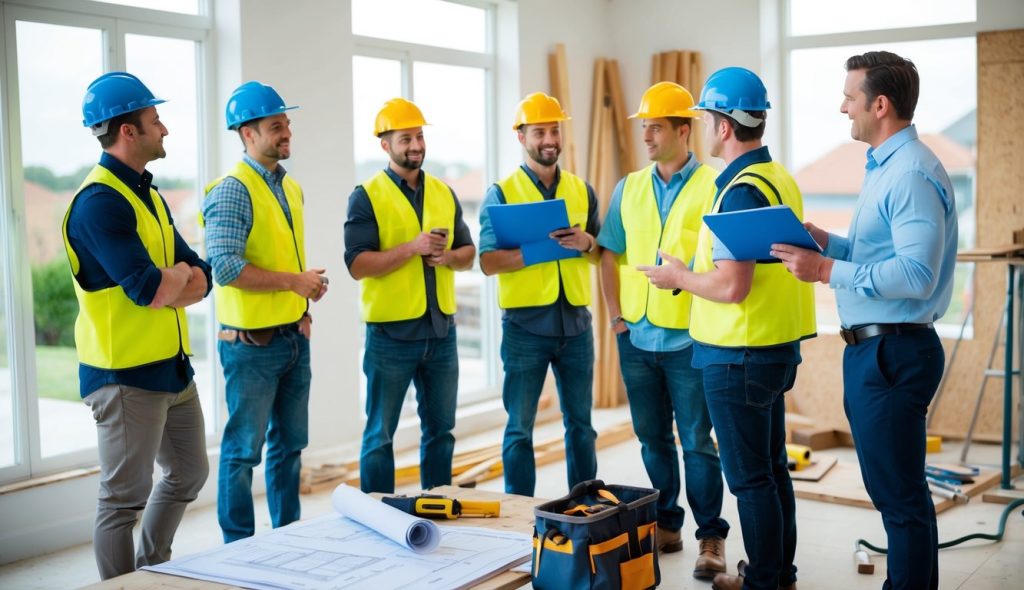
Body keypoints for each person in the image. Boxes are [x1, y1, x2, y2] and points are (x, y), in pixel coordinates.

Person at [772, 51, 956, 590]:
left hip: (894, 352)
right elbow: (882, 254)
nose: (842, 107)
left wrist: (826, 270)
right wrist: (830, 244)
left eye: (850, 97)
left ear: (880, 105)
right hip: (877, 350)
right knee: (895, 493)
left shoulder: (910, 172)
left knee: (900, 498)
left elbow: (916, 274)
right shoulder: (887, 166)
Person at [641, 67, 815, 590]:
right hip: (773, 348)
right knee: (772, 470)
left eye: (706, 118)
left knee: (751, 480)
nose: (704, 127)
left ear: (723, 126)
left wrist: (676, 277)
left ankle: (763, 581)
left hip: (739, 354)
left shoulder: (739, 191)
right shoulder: (776, 177)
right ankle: (778, 575)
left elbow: (732, 286)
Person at [65, 72, 210, 579]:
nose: (164, 128)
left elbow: (202, 274)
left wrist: (178, 279)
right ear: (128, 131)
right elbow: (150, 290)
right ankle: (122, 588)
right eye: (155, 119)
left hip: (171, 367)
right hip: (124, 375)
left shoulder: (146, 194)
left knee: (189, 472)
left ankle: (152, 569)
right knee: (123, 499)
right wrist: (174, 281)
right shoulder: (99, 203)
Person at [597, 82, 729, 580]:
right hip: (636, 338)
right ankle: (667, 524)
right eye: (644, 127)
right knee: (652, 438)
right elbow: (609, 253)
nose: (647, 136)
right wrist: (616, 317)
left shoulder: (714, 185)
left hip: (690, 339)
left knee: (697, 440)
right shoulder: (628, 187)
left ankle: (710, 535)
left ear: (683, 130)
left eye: (655, 127)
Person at [203, 81, 327, 543]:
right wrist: (294, 282)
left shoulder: (290, 187)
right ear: (247, 134)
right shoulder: (232, 191)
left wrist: (303, 301)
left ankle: (287, 538)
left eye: (287, 124)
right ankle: (237, 547)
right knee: (242, 452)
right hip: (250, 348)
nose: (286, 132)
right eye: (276, 126)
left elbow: (282, 258)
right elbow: (225, 268)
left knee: (290, 447)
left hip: (293, 338)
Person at [344, 98, 476, 494]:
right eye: (406, 139)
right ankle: (377, 514)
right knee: (380, 435)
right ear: (385, 145)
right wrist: (411, 249)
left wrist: (447, 256)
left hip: (441, 331)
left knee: (441, 431)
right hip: (391, 336)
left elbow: (468, 253)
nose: (416, 145)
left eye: (419, 136)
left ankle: (436, 507)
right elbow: (357, 264)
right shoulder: (366, 196)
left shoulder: (443, 192)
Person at [478, 92, 599, 497]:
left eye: (554, 130)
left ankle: (585, 508)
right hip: (525, 328)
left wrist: (585, 242)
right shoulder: (502, 193)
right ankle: (519, 511)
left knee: (581, 425)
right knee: (519, 428)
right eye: (539, 132)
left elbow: (600, 252)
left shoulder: (581, 190)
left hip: (576, 326)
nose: (549, 139)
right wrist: (536, 251)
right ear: (521, 137)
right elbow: (488, 262)